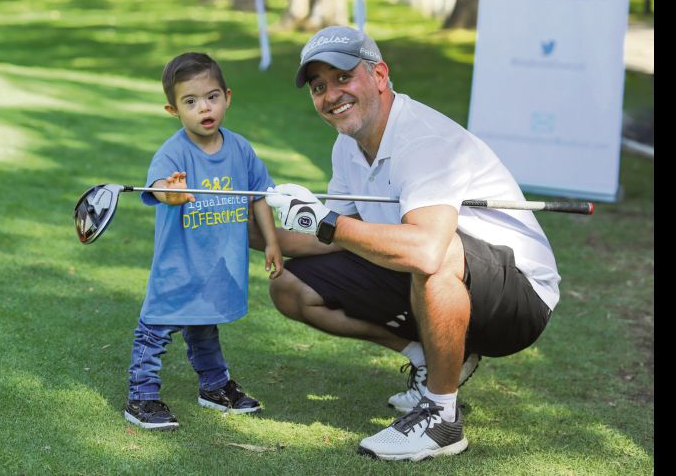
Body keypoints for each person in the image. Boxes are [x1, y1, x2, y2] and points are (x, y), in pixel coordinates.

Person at [252, 26, 560, 461]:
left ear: (379, 75)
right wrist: (249, 226)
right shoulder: (347, 145)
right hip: (441, 279)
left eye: (343, 77)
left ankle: (441, 419)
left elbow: (426, 250)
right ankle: (431, 360)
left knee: (433, 251)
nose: (330, 94)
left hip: (519, 299)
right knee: (289, 288)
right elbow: (333, 235)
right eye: (319, 87)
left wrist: (326, 222)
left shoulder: (421, 138)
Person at [124, 52, 283, 431]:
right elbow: (160, 186)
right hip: (179, 264)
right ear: (173, 109)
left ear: (227, 97)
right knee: (156, 328)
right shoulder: (173, 151)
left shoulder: (241, 149)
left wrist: (273, 241)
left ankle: (214, 386)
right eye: (190, 101)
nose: (204, 108)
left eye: (211, 97)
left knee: (204, 323)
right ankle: (141, 396)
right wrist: (171, 194)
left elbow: (257, 194)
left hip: (217, 264)